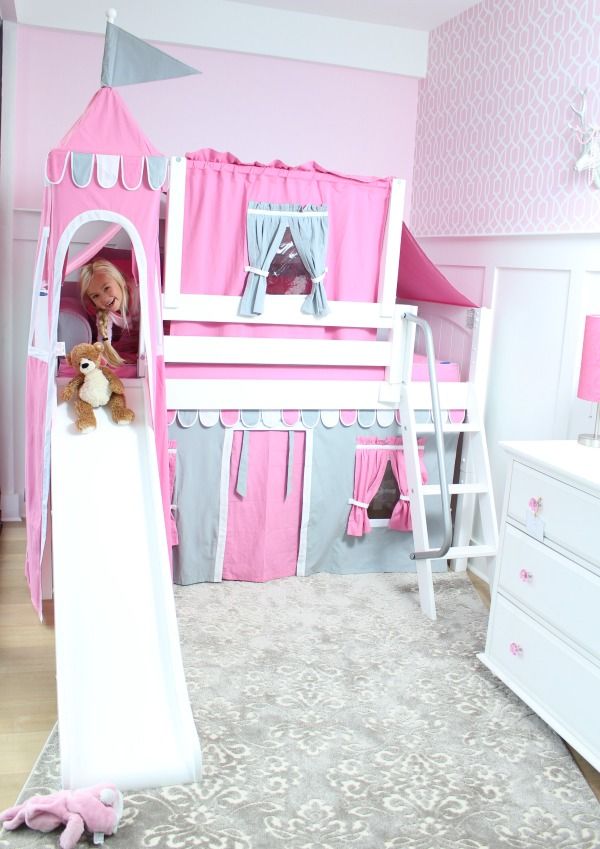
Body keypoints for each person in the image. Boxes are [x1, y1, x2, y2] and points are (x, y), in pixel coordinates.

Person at [79, 258, 139, 366]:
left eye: (107, 288)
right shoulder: (104, 312)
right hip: (132, 334)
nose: (105, 298)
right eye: (96, 296)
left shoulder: (139, 296)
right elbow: (102, 343)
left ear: (120, 281)